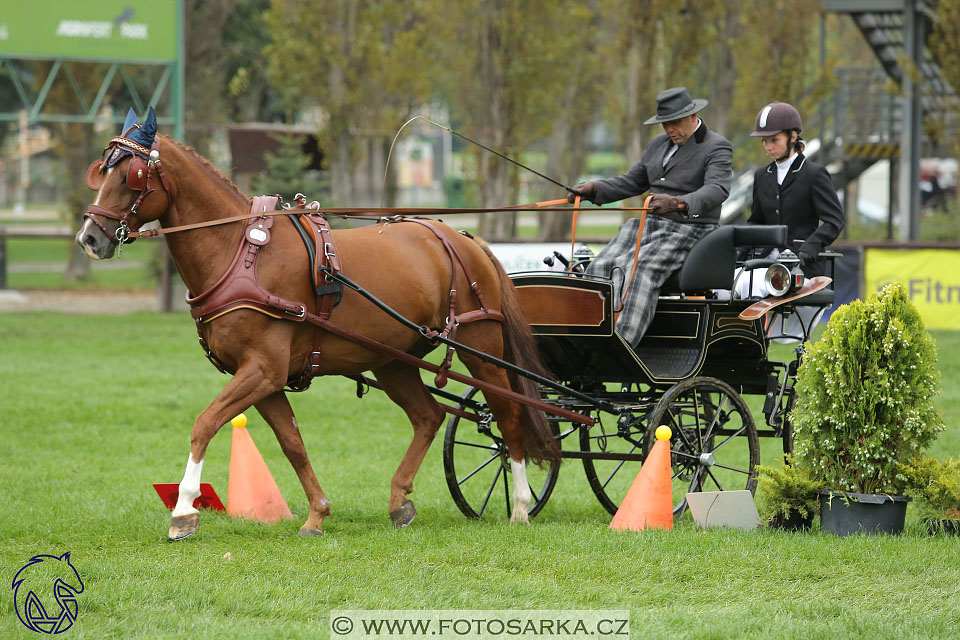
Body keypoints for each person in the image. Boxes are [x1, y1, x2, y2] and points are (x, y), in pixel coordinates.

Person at [567, 86, 732, 346]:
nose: (669, 130)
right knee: (600, 266)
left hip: (690, 228)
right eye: (665, 124)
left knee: (640, 270)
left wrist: (678, 203)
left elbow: (717, 189)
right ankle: (587, 336)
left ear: (693, 116)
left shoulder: (716, 146)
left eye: (674, 123)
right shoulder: (657, 145)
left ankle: (621, 343)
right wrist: (594, 189)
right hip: (648, 224)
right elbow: (632, 182)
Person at [737, 101, 845, 338]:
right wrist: (737, 253)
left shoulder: (814, 174)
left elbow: (834, 220)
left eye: (774, 140)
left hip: (801, 265)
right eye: (764, 141)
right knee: (732, 285)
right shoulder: (761, 176)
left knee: (756, 285)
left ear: (793, 136)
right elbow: (756, 222)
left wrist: (807, 250)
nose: (768, 147)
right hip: (764, 261)